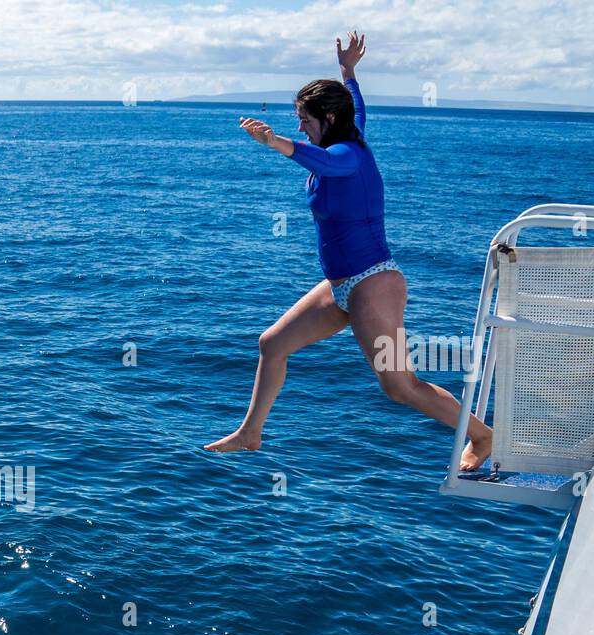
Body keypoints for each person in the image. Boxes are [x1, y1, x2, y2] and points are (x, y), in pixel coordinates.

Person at [205, 31, 493, 471]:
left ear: (326, 118)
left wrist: (275, 143)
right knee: (272, 344)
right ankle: (250, 433)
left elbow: (324, 161)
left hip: (373, 284)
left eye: (304, 118)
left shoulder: (347, 155)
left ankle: (482, 435)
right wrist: (348, 72)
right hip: (341, 287)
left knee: (400, 386)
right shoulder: (344, 135)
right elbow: (355, 104)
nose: (300, 125)